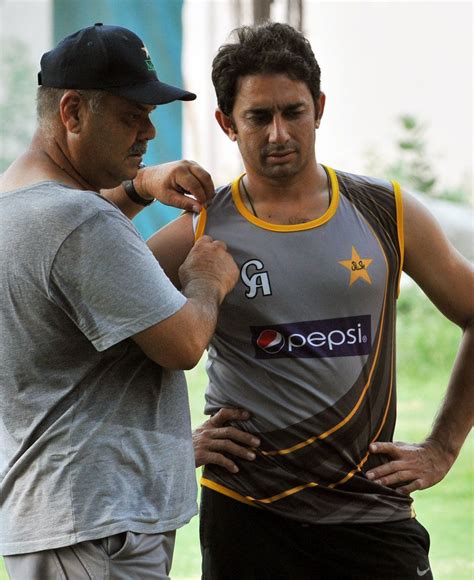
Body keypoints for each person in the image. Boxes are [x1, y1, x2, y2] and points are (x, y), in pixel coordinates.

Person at [148, 22, 474, 580]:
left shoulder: (387, 211)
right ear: (227, 123)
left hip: (371, 510)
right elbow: (91, 322)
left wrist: (443, 446)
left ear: (319, 108)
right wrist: (173, 440)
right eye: (257, 117)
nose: (278, 133)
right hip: (248, 515)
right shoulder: (200, 229)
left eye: (292, 111)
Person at [0, 23, 239, 580]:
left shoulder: (18, 205)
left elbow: (71, 264)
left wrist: (134, 189)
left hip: (61, 512)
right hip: (94, 528)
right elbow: (183, 344)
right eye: (132, 116)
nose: (150, 133)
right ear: (73, 112)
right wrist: (206, 280)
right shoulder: (79, 221)